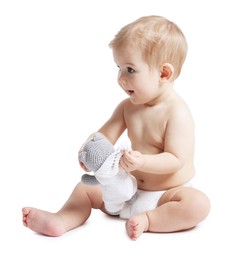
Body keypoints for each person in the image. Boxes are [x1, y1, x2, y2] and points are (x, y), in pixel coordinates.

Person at [22, 15, 211, 240]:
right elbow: (104, 135)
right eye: (119, 68)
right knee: (84, 190)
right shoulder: (127, 107)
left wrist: (143, 162)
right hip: (125, 189)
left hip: (164, 195)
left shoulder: (177, 113)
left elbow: (175, 160)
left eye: (130, 69)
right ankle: (62, 219)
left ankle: (149, 220)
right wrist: (89, 149)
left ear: (163, 73)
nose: (121, 78)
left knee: (197, 204)